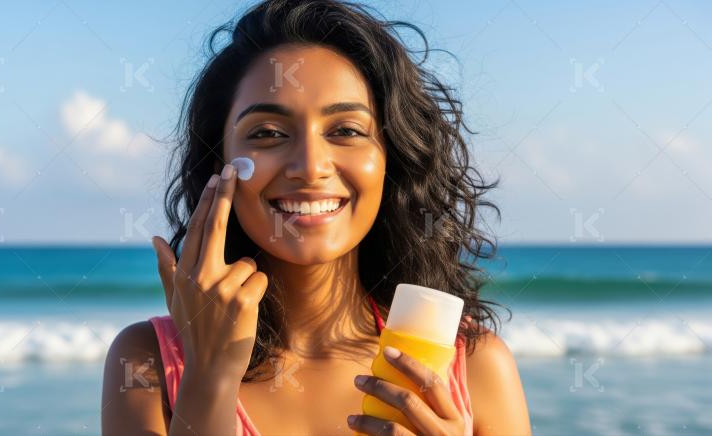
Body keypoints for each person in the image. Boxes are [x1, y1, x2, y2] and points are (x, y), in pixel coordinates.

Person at [102, 1, 531, 434]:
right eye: (268, 133)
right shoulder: (145, 361)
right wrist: (208, 378)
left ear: (391, 158)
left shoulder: (476, 367)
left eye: (346, 130)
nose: (310, 166)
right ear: (219, 163)